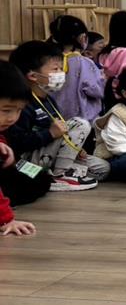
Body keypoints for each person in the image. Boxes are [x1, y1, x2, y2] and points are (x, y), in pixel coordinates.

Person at [7, 40, 109, 191]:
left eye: (61, 68)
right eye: (55, 69)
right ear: (33, 75)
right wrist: (49, 134)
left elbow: (61, 132)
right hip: (27, 159)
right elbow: (18, 142)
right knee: (80, 123)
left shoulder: (49, 100)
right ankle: (60, 175)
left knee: (102, 168)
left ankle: (56, 171)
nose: (61, 73)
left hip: (50, 156)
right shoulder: (22, 104)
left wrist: (73, 148)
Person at [0, 61, 48, 235]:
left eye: (19, 110)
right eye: (6, 110)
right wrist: (6, 219)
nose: (12, 118)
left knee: (41, 177)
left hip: (17, 164)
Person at [48, 15, 105, 124]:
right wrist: (103, 78)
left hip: (56, 121)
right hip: (81, 121)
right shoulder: (84, 63)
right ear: (82, 38)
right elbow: (96, 90)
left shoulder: (48, 61)